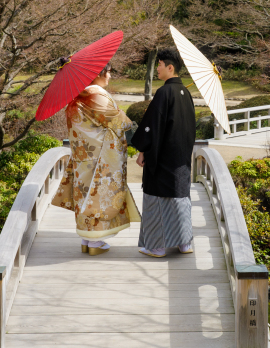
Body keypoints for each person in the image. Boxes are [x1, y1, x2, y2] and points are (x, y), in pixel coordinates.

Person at [51, 63, 140, 255]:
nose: (109, 75)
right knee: (98, 196)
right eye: (107, 72)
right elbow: (118, 121)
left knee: (85, 194)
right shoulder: (95, 95)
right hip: (101, 157)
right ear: (97, 74)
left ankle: (86, 238)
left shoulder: (77, 96)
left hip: (84, 155)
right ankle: (95, 243)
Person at [130, 48, 196, 258]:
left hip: (164, 158)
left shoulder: (165, 92)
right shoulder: (187, 94)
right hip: (181, 158)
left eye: (159, 65)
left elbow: (152, 126)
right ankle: (185, 243)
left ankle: (156, 246)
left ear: (170, 67)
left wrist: (143, 150)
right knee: (180, 199)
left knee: (157, 199)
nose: (157, 68)